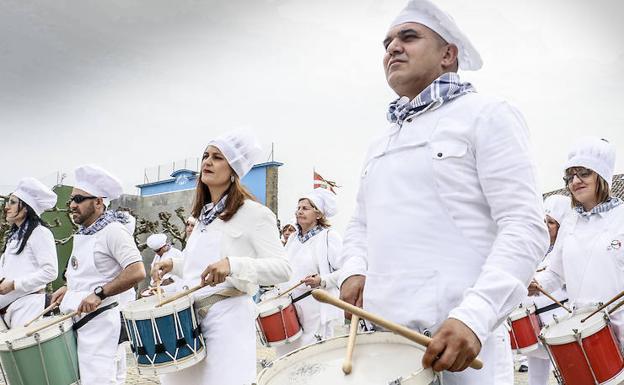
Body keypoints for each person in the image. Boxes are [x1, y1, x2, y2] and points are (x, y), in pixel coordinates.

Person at [337, 1, 548, 383]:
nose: (392, 48)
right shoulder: (380, 140)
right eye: (387, 42)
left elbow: (524, 226)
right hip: (384, 348)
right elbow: (360, 225)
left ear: (449, 54)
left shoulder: (487, 114)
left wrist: (475, 315)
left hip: (462, 348)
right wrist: (353, 271)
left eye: (409, 36)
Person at [151, 129, 291, 385]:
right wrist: (173, 264)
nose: (207, 162)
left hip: (228, 321)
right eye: (205, 155)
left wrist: (233, 265)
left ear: (234, 169)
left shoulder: (255, 214)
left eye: (217, 157)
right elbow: (201, 268)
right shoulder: (203, 217)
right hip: (189, 322)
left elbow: (282, 269)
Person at [51, 165, 146, 385]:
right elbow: (88, 274)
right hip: (79, 321)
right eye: (71, 200)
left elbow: (137, 270)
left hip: (100, 323)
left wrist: (100, 294)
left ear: (98, 202)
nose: (72, 205)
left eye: (78, 199)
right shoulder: (86, 232)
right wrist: (68, 288)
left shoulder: (113, 231)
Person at [532, 137, 624, 344]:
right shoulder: (571, 222)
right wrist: (536, 284)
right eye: (570, 176)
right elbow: (555, 273)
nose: (575, 181)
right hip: (586, 332)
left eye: (584, 173)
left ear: (601, 175)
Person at [275, 188, 343, 356]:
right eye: (298, 208)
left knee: (313, 357)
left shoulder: (329, 237)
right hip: (290, 308)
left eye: (305, 208)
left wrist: (322, 280)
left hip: (315, 308)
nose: (299, 212)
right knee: (287, 356)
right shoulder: (292, 239)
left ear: (318, 214)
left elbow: (346, 271)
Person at [521, 195, 570, 385]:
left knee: (567, 374)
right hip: (534, 325)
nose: (546, 226)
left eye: (551, 222)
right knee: (536, 379)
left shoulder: (566, 250)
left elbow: (558, 278)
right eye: (543, 221)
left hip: (558, 324)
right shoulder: (536, 250)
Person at [0, 178, 58, 328]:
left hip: (27, 307)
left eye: (13, 202)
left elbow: (50, 271)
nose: (7, 207)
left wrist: (14, 285)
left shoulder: (40, 233)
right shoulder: (14, 236)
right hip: (8, 310)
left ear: (26, 207)